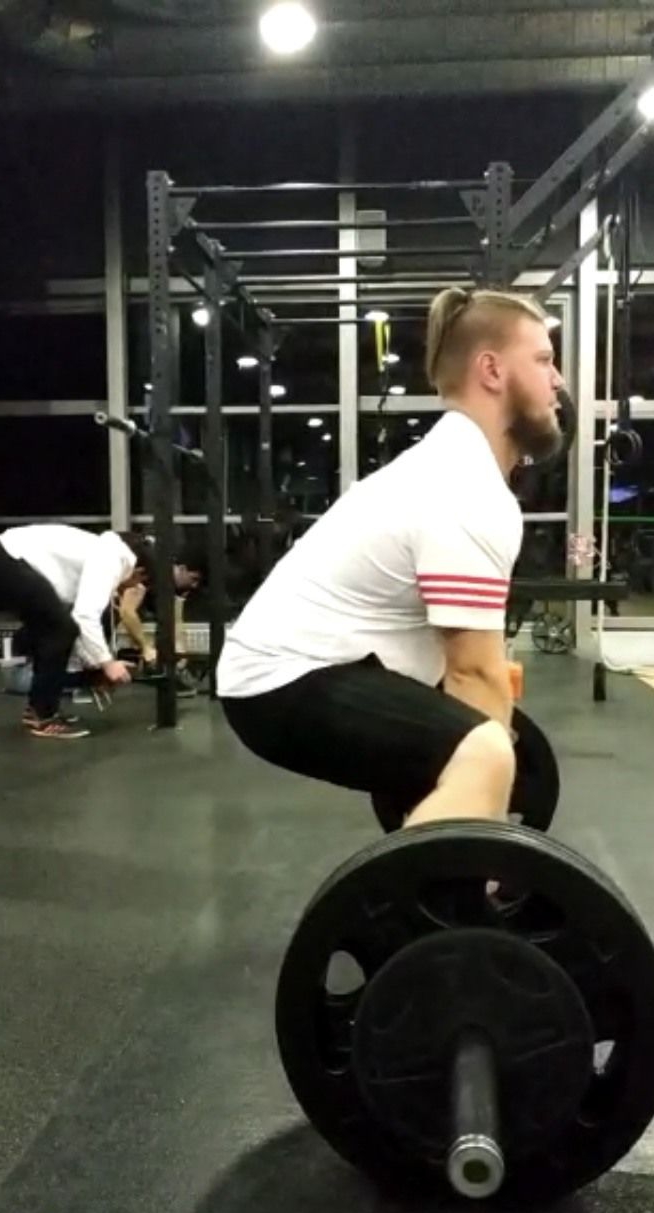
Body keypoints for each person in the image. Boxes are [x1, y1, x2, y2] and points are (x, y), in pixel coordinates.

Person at [217, 288, 565, 826]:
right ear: (492, 371)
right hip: (281, 680)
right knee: (486, 753)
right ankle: (423, 879)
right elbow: (474, 674)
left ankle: (433, 861)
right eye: (543, 360)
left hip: (334, 664)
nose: (557, 380)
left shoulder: (455, 466)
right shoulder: (462, 486)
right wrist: (483, 800)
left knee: (529, 767)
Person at [0, 523, 155, 739]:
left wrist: (96, 669)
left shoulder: (103, 552)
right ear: (139, 571)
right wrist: (107, 664)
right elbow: (84, 617)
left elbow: (77, 625)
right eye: (138, 583)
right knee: (60, 630)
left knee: (55, 629)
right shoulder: (114, 558)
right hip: (7, 558)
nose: (132, 588)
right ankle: (42, 715)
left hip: (6, 557)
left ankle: (40, 710)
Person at [114, 557, 203, 697]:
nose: (194, 585)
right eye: (193, 579)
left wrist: (181, 655)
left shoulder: (173, 587)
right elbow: (126, 612)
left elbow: (176, 621)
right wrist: (146, 648)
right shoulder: (150, 572)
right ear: (182, 569)